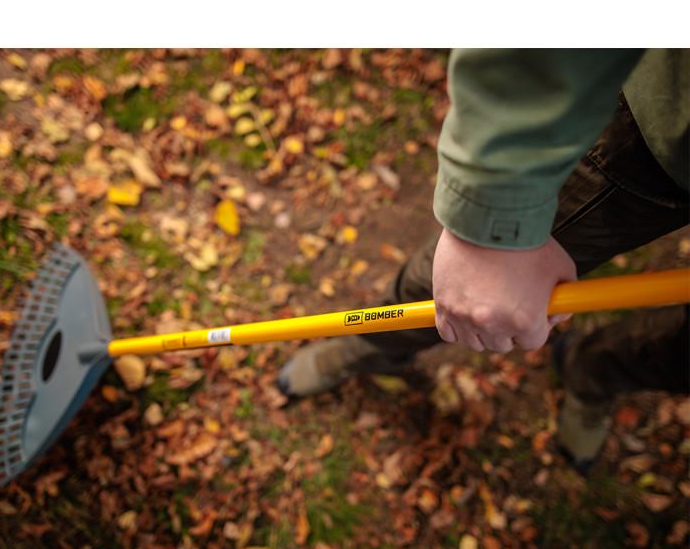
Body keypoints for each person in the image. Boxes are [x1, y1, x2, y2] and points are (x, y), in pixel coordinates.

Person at [278, 49, 690, 472]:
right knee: (451, 290)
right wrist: (491, 211)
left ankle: (595, 372)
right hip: (656, 137)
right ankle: (371, 346)